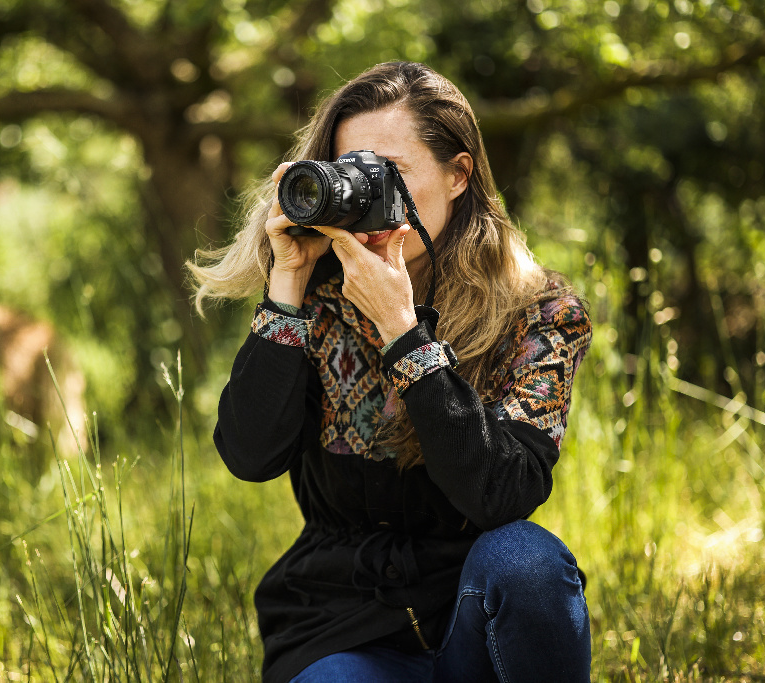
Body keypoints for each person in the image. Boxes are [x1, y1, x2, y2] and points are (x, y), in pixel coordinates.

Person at [188, 61, 593, 682]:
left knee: (528, 562)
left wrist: (405, 334)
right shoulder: (318, 300)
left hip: (472, 622)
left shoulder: (539, 315)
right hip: (341, 626)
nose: (367, 194)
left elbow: (503, 496)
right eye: (353, 172)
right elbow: (249, 457)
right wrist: (287, 283)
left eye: (391, 173)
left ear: (460, 174)